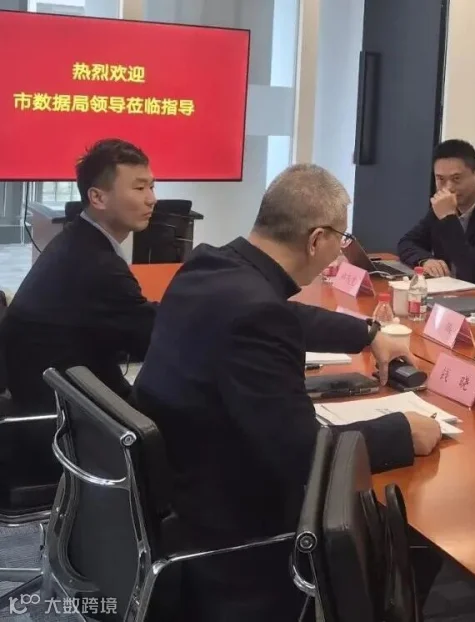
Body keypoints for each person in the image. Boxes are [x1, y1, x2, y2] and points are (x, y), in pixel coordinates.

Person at [132, 164, 442, 621]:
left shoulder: (210, 264)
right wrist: (402, 432)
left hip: (180, 483)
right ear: (316, 240)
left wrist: (367, 333)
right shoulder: (256, 312)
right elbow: (305, 455)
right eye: (341, 238)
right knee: (409, 534)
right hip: (234, 522)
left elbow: (282, 315)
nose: (340, 249)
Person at [0, 138, 157, 411]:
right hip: (66, 410)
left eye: (152, 187)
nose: (151, 199)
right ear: (98, 197)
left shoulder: (77, 238)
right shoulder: (97, 264)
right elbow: (152, 338)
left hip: (57, 386)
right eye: (139, 187)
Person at [397, 139, 475, 292]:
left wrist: (448, 218)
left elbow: (471, 271)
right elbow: (407, 242)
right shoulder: (442, 207)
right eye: (440, 179)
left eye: (456, 178)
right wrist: (425, 260)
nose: (448, 188)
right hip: (449, 293)